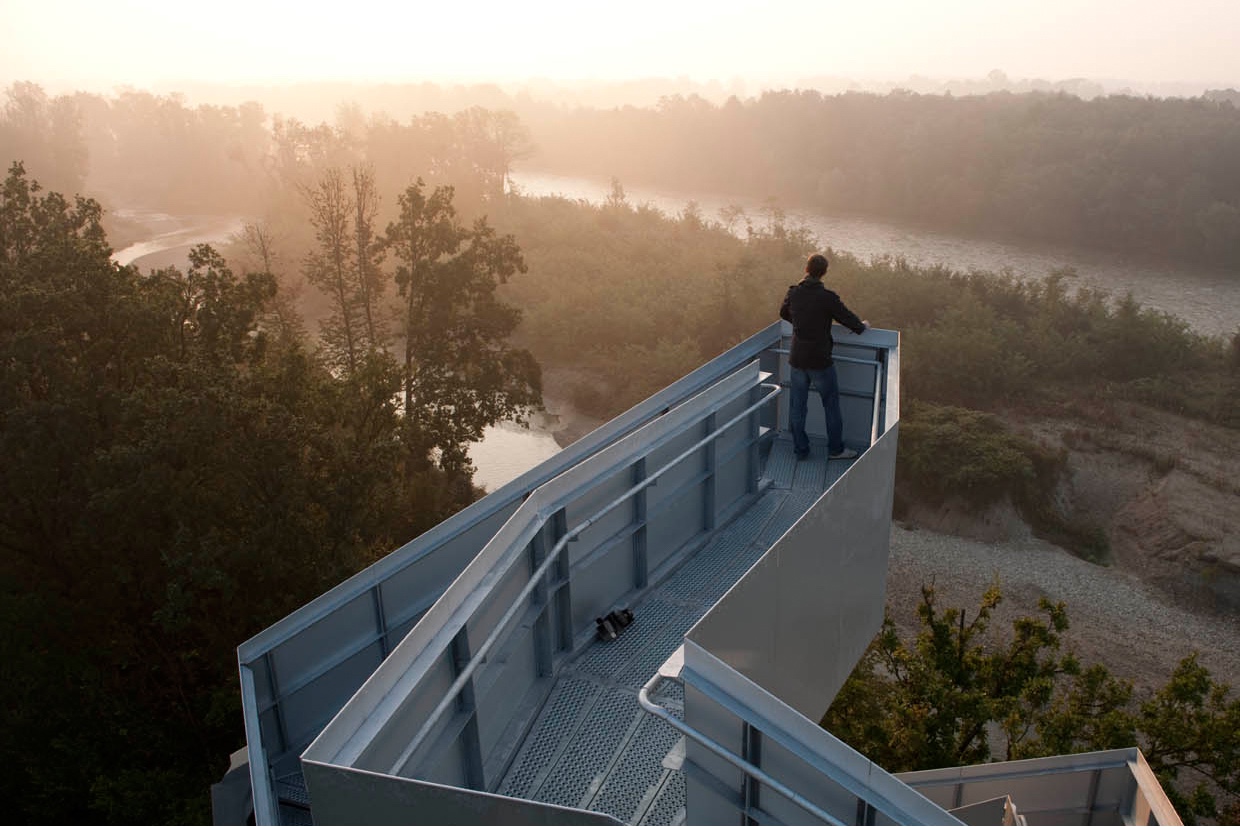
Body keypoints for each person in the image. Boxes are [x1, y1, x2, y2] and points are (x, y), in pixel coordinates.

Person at [779, 253, 868, 461]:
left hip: (797, 358)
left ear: (806, 269)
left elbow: (783, 313)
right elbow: (849, 320)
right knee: (831, 406)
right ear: (824, 273)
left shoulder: (794, 293)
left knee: (797, 407)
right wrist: (863, 327)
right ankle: (836, 450)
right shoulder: (827, 298)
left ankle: (801, 450)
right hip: (820, 360)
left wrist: (801, 324)